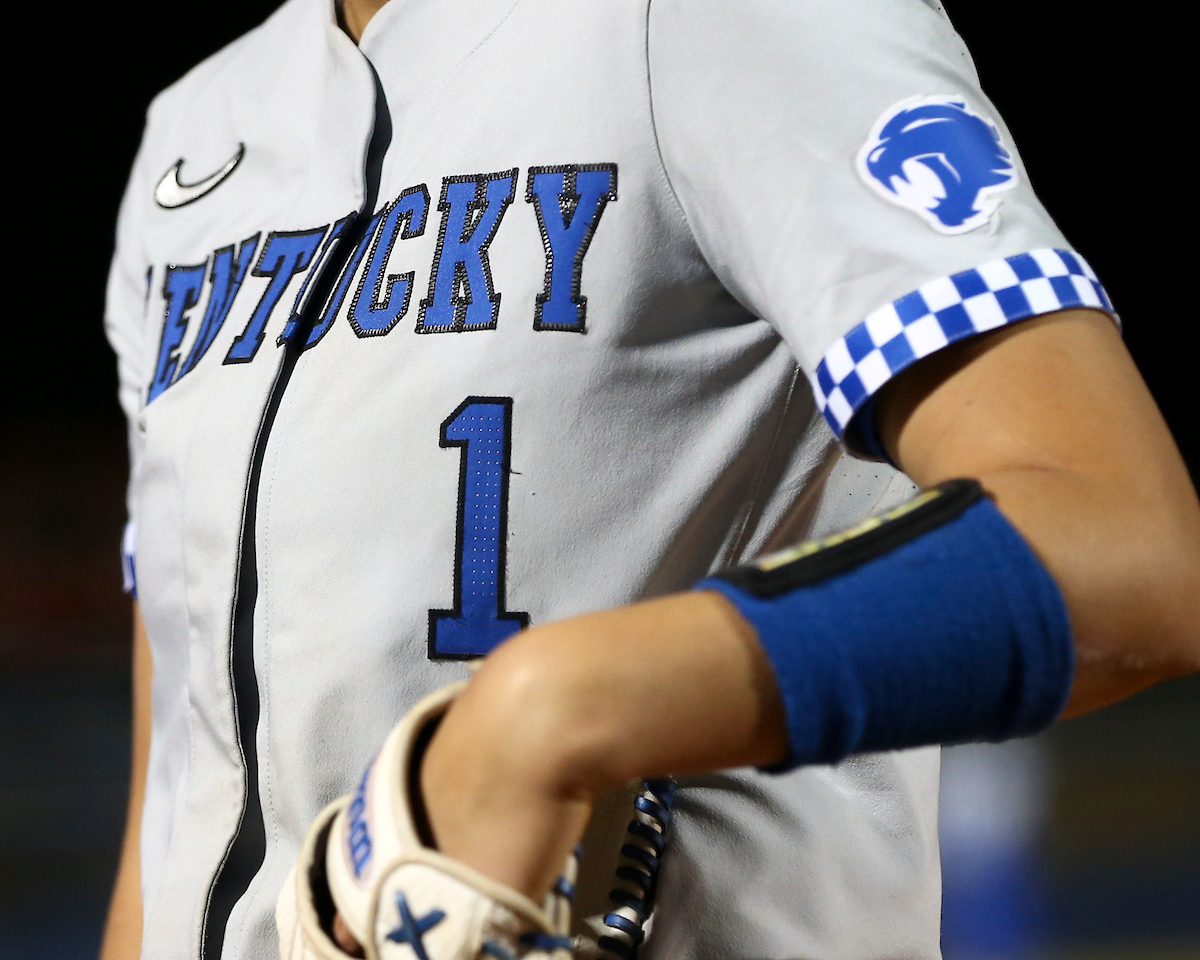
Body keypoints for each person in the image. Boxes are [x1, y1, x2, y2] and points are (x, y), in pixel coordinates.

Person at [100, 0, 1200, 957]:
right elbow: (178, 784)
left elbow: (1128, 548)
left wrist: (559, 707)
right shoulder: (197, 129)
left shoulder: (730, 17)